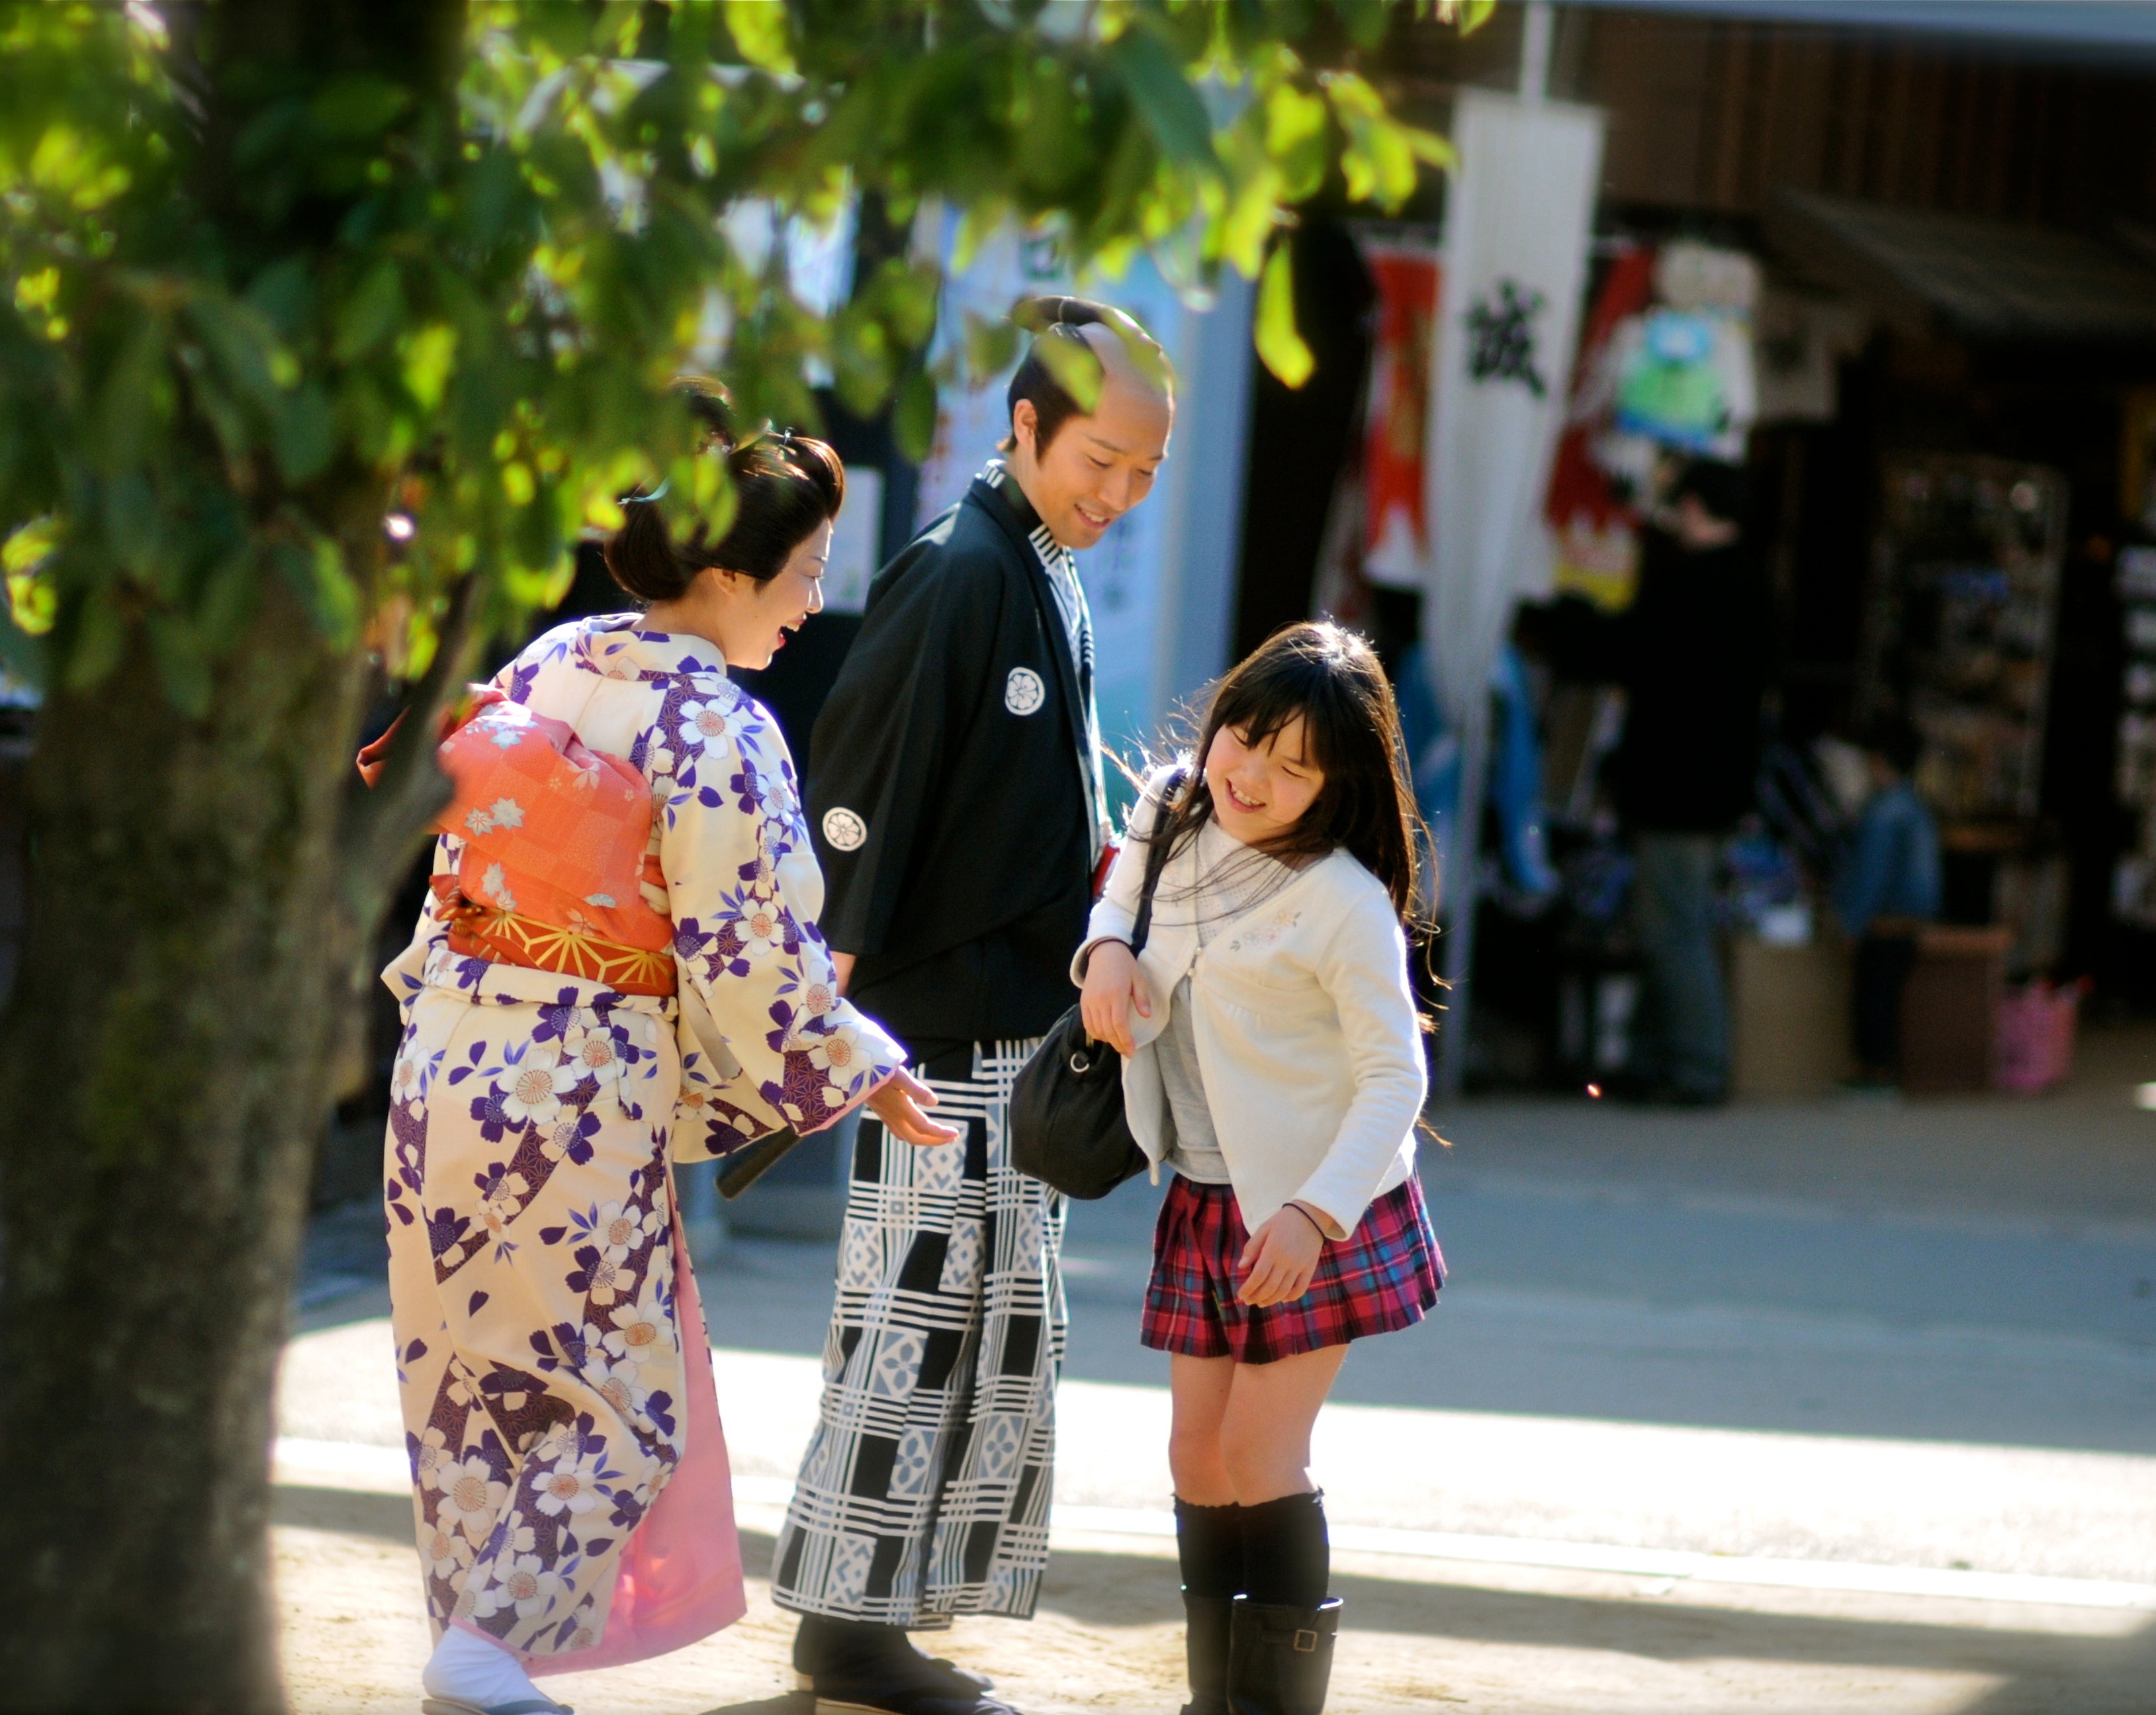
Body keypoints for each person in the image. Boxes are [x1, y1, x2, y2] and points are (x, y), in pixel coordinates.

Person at [381, 391, 960, 1715]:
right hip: (576, 1081)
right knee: (625, 1400)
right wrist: (857, 1056)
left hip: (449, 1052)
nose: (813, 604)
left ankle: (481, 1646)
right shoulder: (717, 725)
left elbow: (460, 852)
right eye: (805, 574)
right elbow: (746, 939)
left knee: (474, 1376)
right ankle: (484, 1647)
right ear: (727, 572)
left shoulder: (547, 663)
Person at [772, 297, 1175, 1715]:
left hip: (1011, 1026)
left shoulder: (1039, 563)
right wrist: (840, 1013)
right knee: (911, 1321)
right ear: (1025, 426)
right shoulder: (959, 571)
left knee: (995, 1330)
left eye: (1143, 474)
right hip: (931, 1038)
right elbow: (856, 795)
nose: (1118, 493)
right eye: (1101, 461)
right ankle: (849, 1624)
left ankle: (885, 1611)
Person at [1075, 622, 1442, 1715]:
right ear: (1224, 713)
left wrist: (1313, 1216)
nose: (1254, 776)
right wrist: (1103, 952)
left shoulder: (1341, 897)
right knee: (1196, 1456)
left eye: (1294, 769)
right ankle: (1213, 1700)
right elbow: (1121, 886)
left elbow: (1396, 1079)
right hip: (1204, 1185)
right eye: (1249, 738)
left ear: (1335, 788)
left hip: (1320, 1201)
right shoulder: (1178, 803)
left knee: (1254, 1451)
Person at [1535, 458, 1774, 1105]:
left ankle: (1696, 1065)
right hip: (1717, 787)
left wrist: (1570, 615)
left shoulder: (1687, 585)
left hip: (1676, 785)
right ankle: (1652, 1058)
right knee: (1673, 917)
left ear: (1694, 506)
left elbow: (1624, 651)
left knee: (1670, 925)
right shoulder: (1751, 584)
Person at [1835, 714, 1942, 1081]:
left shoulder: (1882, 813)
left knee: (1873, 998)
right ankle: (1885, 1067)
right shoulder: (1917, 808)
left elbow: (1871, 875)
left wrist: (1851, 922)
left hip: (1884, 921)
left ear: (1878, 761)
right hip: (1912, 921)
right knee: (1890, 995)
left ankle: (1874, 1070)